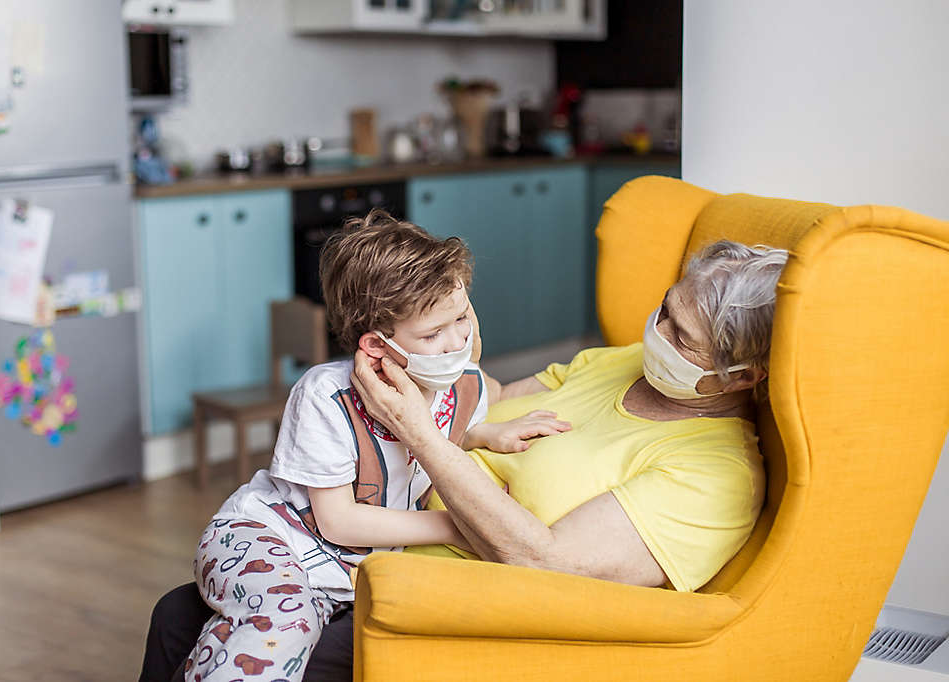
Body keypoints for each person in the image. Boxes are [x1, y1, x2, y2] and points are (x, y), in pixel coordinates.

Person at [141, 239, 787, 679]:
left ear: (740, 376)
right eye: (665, 311)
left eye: (683, 338)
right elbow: (492, 398)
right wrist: (445, 358)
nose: (658, 335)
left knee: (274, 648)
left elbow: (547, 562)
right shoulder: (619, 366)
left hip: (448, 603)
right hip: (366, 556)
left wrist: (419, 433)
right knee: (177, 614)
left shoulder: (715, 475)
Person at [174, 209, 570, 682]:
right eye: (432, 334)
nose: (456, 342)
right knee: (285, 624)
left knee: (253, 652)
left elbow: (436, 436)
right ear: (378, 346)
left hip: (333, 579)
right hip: (264, 539)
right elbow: (338, 520)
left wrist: (483, 433)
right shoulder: (326, 395)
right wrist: (456, 525)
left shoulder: (460, 385)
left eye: (462, 316)